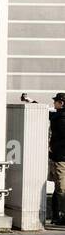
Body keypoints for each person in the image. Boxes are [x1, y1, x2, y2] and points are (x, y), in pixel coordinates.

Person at [50, 93, 65, 226]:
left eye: (56, 101)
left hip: (61, 158)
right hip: (59, 157)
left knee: (61, 188)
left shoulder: (60, 118)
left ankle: (60, 216)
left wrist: (53, 149)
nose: (54, 103)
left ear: (62, 103)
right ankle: (56, 216)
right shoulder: (58, 116)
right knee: (57, 188)